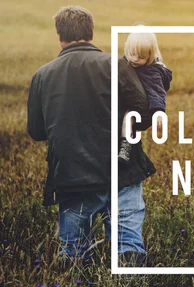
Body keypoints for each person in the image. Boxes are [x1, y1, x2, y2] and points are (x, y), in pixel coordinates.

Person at [27, 6, 155, 267]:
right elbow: (143, 115)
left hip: (72, 175)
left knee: (72, 256)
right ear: (92, 32)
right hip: (123, 171)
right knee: (129, 249)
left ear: (59, 35)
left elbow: (37, 131)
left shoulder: (42, 75)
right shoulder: (115, 66)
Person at [119, 31, 172, 164]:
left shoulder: (151, 71)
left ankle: (125, 146)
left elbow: (157, 92)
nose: (135, 59)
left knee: (128, 117)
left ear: (150, 56)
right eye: (132, 54)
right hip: (130, 104)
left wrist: (158, 112)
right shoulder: (126, 64)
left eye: (141, 56)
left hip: (143, 111)